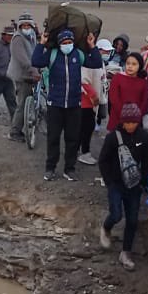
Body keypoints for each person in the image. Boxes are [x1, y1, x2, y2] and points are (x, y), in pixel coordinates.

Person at [31, 29, 103, 182]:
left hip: (74, 105)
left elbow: (96, 63)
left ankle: (69, 169)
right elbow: (36, 61)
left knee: (72, 139)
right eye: (64, 43)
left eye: (70, 42)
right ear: (59, 43)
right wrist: (41, 44)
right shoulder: (53, 54)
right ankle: (50, 168)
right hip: (55, 104)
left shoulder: (79, 55)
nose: (67, 45)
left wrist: (92, 46)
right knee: (53, 138)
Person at [97, 103, 148, 271]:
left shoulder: (143, 137)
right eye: (127, 122)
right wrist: (109, 182)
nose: (130, 126)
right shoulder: (113, 137)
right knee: (116, 214)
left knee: (133, 219)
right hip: (116, 183)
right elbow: (103, 160)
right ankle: (106, 228)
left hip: (134, 185)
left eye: (133, 122)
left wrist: (143, 181)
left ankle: (126, 252)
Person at [7, 13, 39, 144]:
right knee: (22, 103)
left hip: (30, 74)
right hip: (22, 76)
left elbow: (34, 52)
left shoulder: (31, 36)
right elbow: (23, 60)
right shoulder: (18, 38)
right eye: (24, 25)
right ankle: (14, 132)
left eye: (28, 25)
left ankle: (27, 124)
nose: (26, 27)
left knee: (28, 102)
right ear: (20, 26)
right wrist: (34, 71)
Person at [106, 52, 148, 132]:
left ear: (139, 66)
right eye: (128, 63)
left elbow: (144, 102)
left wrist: (135, 118)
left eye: (134, 64)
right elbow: (114, 99)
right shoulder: (117, 78)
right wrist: (124, 117)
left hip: (135, 123)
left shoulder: (143, 82)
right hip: (117, 120)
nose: (130, 66)